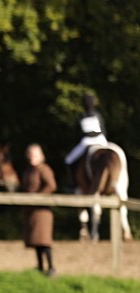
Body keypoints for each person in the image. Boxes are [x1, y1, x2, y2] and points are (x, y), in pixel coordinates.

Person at [22, 144, 57, 277]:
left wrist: (39, 197)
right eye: (30, 154)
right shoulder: (29, 170)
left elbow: (51, 185)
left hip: (42, 211)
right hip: (32, 211)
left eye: (35, 154)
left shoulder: (44, 169)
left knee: (44, 241)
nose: (32, 157)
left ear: (41, 156)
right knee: (36, 241)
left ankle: (51, 267)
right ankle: (40, 266)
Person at [64, 92, 108, 185]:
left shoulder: (82, 116)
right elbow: (103, 130)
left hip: (87, 141)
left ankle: (73, 183)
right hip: (101, 140)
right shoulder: (98, 115)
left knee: (68, 160)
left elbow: (78, 133)